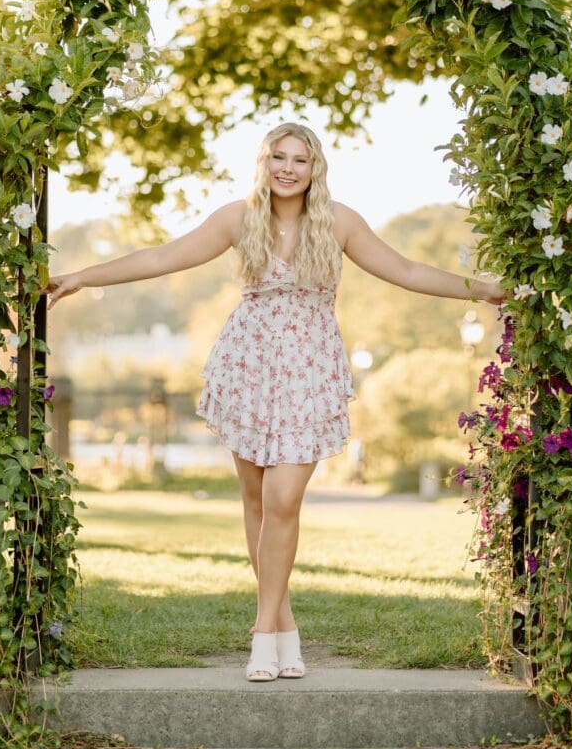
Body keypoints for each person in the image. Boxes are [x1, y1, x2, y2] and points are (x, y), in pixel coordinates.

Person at [43, 121, 509, 683]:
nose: (288, 168)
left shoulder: (339, 223)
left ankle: (263, 635)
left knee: (284, 499)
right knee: (258, 502)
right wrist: (80, 277)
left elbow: (406, 270)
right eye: (278, 157)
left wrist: (478, 288)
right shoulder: (238, 219)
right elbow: (161, 258)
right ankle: (283, 628)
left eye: (300, 159)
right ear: (264, 163)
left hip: (309, 371)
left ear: (316, 168)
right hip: (249, 364)